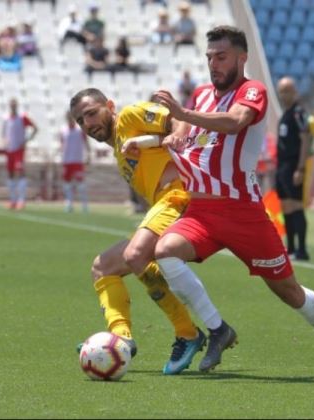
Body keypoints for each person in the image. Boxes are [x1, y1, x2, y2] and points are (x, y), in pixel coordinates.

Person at [151, 25, 314, 376]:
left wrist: (184, 117)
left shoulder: (253, 91)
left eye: (221, 57)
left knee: (290, 293)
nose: (213, 64)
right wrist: (175, 132)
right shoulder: (201, 95)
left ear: (241, 58)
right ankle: (218, 330)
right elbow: (182, 131)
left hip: (243, 213)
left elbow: (235, 123)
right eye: (209, 58)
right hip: (201, 211)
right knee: (164, 252)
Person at [69, 88, 206, 375]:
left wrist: (174, 136)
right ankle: (121, 340)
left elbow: (180, 122)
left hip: (180, 197)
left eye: (92, 113)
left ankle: (188, 333)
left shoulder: (129, 118)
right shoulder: (120, 148)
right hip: (164, 206)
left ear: (110, 105)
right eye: (81, 120)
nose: (88, 123)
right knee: (103, 266)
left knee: (135, 255)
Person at [275, 77, 312, 260]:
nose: (284, 95)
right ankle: (290, 248)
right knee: (286, 206)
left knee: (296, 205)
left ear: (295, 92)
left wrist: (301, 168)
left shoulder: (298, 113)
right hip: (281, 166)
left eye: (287, 91)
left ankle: (302, 249)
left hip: (293, 165)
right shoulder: (285, 113)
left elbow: (306, 139)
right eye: (281, 91)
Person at [0, 98, 38, 210]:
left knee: (20, 173)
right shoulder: (6, 119)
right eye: (11, 105)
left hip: (18, 150)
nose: (13, 107)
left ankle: (21, 200)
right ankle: (12, 200)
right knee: (10, 174)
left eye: (14, 105)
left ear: (17, 106)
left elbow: (35, 128)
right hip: (9, 150)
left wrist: (26, 140)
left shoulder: (22, 117)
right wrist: (4, 143)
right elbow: (3, 134)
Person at [59, 111, 90, 213]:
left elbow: (86, 143)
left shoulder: (79, 129)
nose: (69, 119)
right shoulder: (63, 130)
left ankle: (84, 206)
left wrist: (88, 156)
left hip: (78, 160)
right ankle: (69, 204)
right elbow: (62, 145)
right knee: (67, 184)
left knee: (80, 184)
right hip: (67, 161)